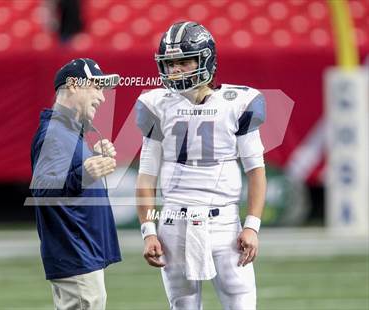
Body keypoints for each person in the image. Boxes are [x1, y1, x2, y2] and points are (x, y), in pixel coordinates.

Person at [136, 22, 266, 310]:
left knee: (243, 305)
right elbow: (146, 178)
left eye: (184, 61)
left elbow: (256, 171)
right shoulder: (156, 104)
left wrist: (252, 227)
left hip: (225, 226)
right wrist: (149, 231)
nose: (176, 70)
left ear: (205, 59)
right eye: (170, 64)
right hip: (173, 225)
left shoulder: (237, 102)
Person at [30, 58, 121, 310]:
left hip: (81, 253)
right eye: (96, 87)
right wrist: (86, 173)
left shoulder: (67, 130)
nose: (102, 97)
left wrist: (92, 159)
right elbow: (43, 191)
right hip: (76, 253)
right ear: (73, 85)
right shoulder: (56, 131)